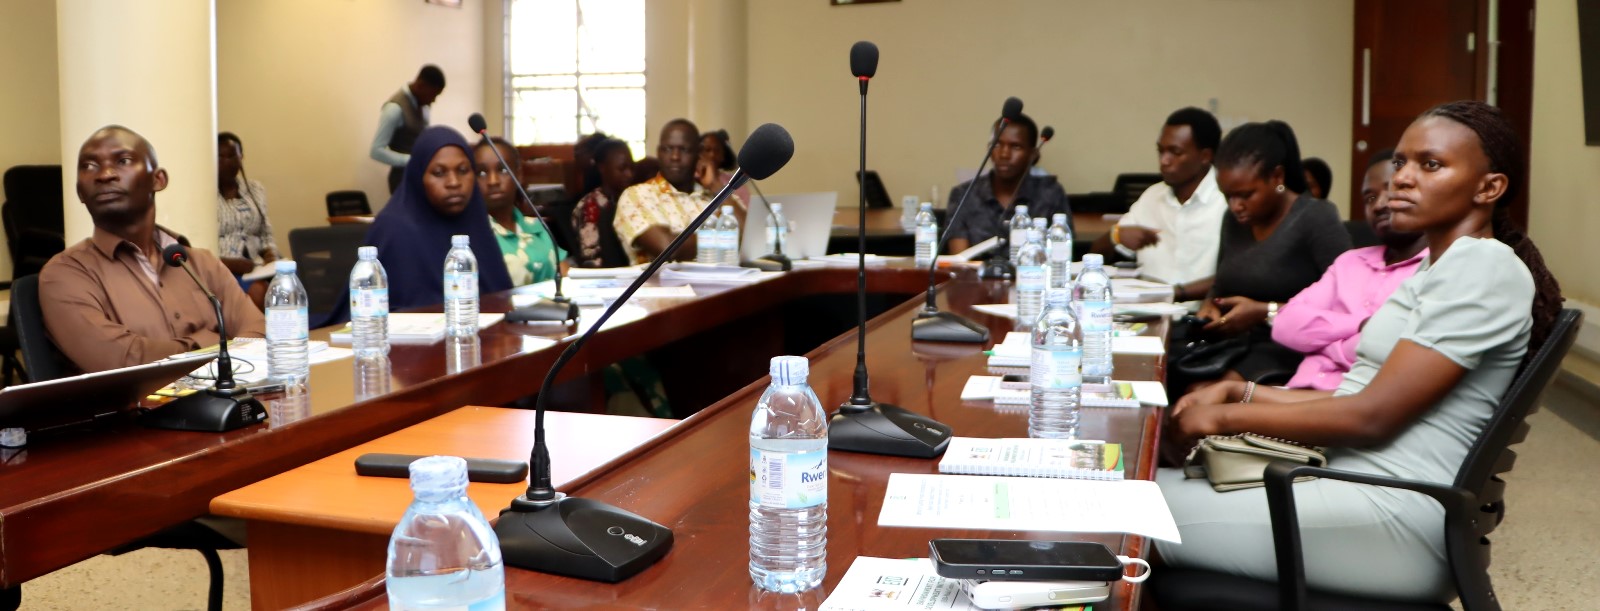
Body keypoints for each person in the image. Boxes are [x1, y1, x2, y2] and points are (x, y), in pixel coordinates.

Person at [1157, 100, 1562, 604]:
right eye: (1401, 162)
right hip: (1343, 482)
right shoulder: (1438, 269)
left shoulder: (1482, 268)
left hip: (1388, 514)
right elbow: (1355, 394)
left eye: (1430, 165)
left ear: (1489, 188)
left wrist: (1223, 419)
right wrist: (1241, 391)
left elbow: (1370, 417)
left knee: (1124, 516)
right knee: (1139, 490)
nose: (1403, 179)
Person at [39, 125, 266, 373]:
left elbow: (258, 334)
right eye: (89, 166)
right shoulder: (64, 275)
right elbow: (124, 363)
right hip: (140, 412)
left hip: (225, 405)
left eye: (122, 160)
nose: (104, 175)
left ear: (158, 180)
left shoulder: (199, 262)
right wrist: (214, 343)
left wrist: (180, 352)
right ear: (80, 191)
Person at [1191, 121, 1351, 385]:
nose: (1235, 206)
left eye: (1245, 195)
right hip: (1232, 346)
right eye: (1227, 196)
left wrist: (1267, 312)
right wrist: (1210, 305)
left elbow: (1348, 305)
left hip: (1291, 349)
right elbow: (1221, 283)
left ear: (1277, 177)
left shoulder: (1315, 218)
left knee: (1199, 398)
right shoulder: (1233, 221)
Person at [1269, 149, 1427, 391]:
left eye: (1391, 190)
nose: (1379, 205)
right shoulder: (1349, 262)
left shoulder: (1436, 267)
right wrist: (1361, 324)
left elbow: (1391, 352)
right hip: (1293, 395)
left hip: (1351, 410)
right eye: (1370, 198)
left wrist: (1322, 344)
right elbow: (1284, 324)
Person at [367, 126, 513, 311]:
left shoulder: (474, 220)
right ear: (419, 177)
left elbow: (501, 299)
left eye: (463, 170)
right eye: (439, 173)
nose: (454, 182)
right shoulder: (396, 229)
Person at [1091, 107, 1227, 305]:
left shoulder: (1227, 200)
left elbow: (1237, 277)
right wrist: (1116, 235)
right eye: (1161, 151)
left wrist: (1174, 293)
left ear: (1205, 156)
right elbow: (1095, 254)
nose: (1164, 161)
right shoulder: (1152, 197)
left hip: (1203, 322)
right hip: (1147, 316)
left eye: (1175, 152)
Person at [613, 119, 743, 263]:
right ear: (659, 153)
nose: (675, 157)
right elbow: (668, 249)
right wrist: (728, 235)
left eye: (684, 150)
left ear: (699, 155)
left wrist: (717, 187)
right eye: (668, 149)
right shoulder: (637, 195)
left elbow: (750, 235)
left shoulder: (716, 196)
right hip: (665, 285)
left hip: (728, 282)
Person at [945, 113, 1071, 254]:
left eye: (1015, 147)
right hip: (976, 275)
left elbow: (1061, 254)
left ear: (1033, 155)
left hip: (1032, 274)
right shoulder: (963, 195)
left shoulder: (1050, 193)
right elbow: (959, 262)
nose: (1004, 154)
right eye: (997, 144)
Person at [474, 136, 567, 285]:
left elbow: (565, 276)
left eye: (503, 170)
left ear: (519, 175)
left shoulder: (536, 226)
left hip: (550, 307)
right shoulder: (472, 234)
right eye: (482, 173)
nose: (493, 181)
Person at [216, 131, 276, 308]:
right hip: (221, 268)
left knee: (277, 287)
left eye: (232, 155)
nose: (227, 162)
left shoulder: (255, 189)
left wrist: (270, 253)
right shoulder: (204, 196)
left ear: (241, 156)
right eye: (220, 156)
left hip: (255, 268)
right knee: (258, 292)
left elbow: (265, 231)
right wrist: (230, 263)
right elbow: (197, 245)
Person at [371, 65, 446, 194]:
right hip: (402, 181)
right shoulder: (394, 109)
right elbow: (376, 151)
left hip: (421, 177)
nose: (433, 100)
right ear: (421, 85)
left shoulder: (423, 105)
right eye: (433, 95)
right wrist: (410, 160)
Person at [570, 138, 634, 268]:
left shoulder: (632, 200)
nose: (629, 174)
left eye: (631, 168)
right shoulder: (590, 207)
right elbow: (592, 260)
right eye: (622, 169)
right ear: (602, 168)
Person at [701, 129, 749, 205]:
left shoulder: (735, 182)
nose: (712, 155)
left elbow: (745, 215)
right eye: (707, 150)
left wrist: (716, 185)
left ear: (723, 155)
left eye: (717, 150)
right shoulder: (688, 181)